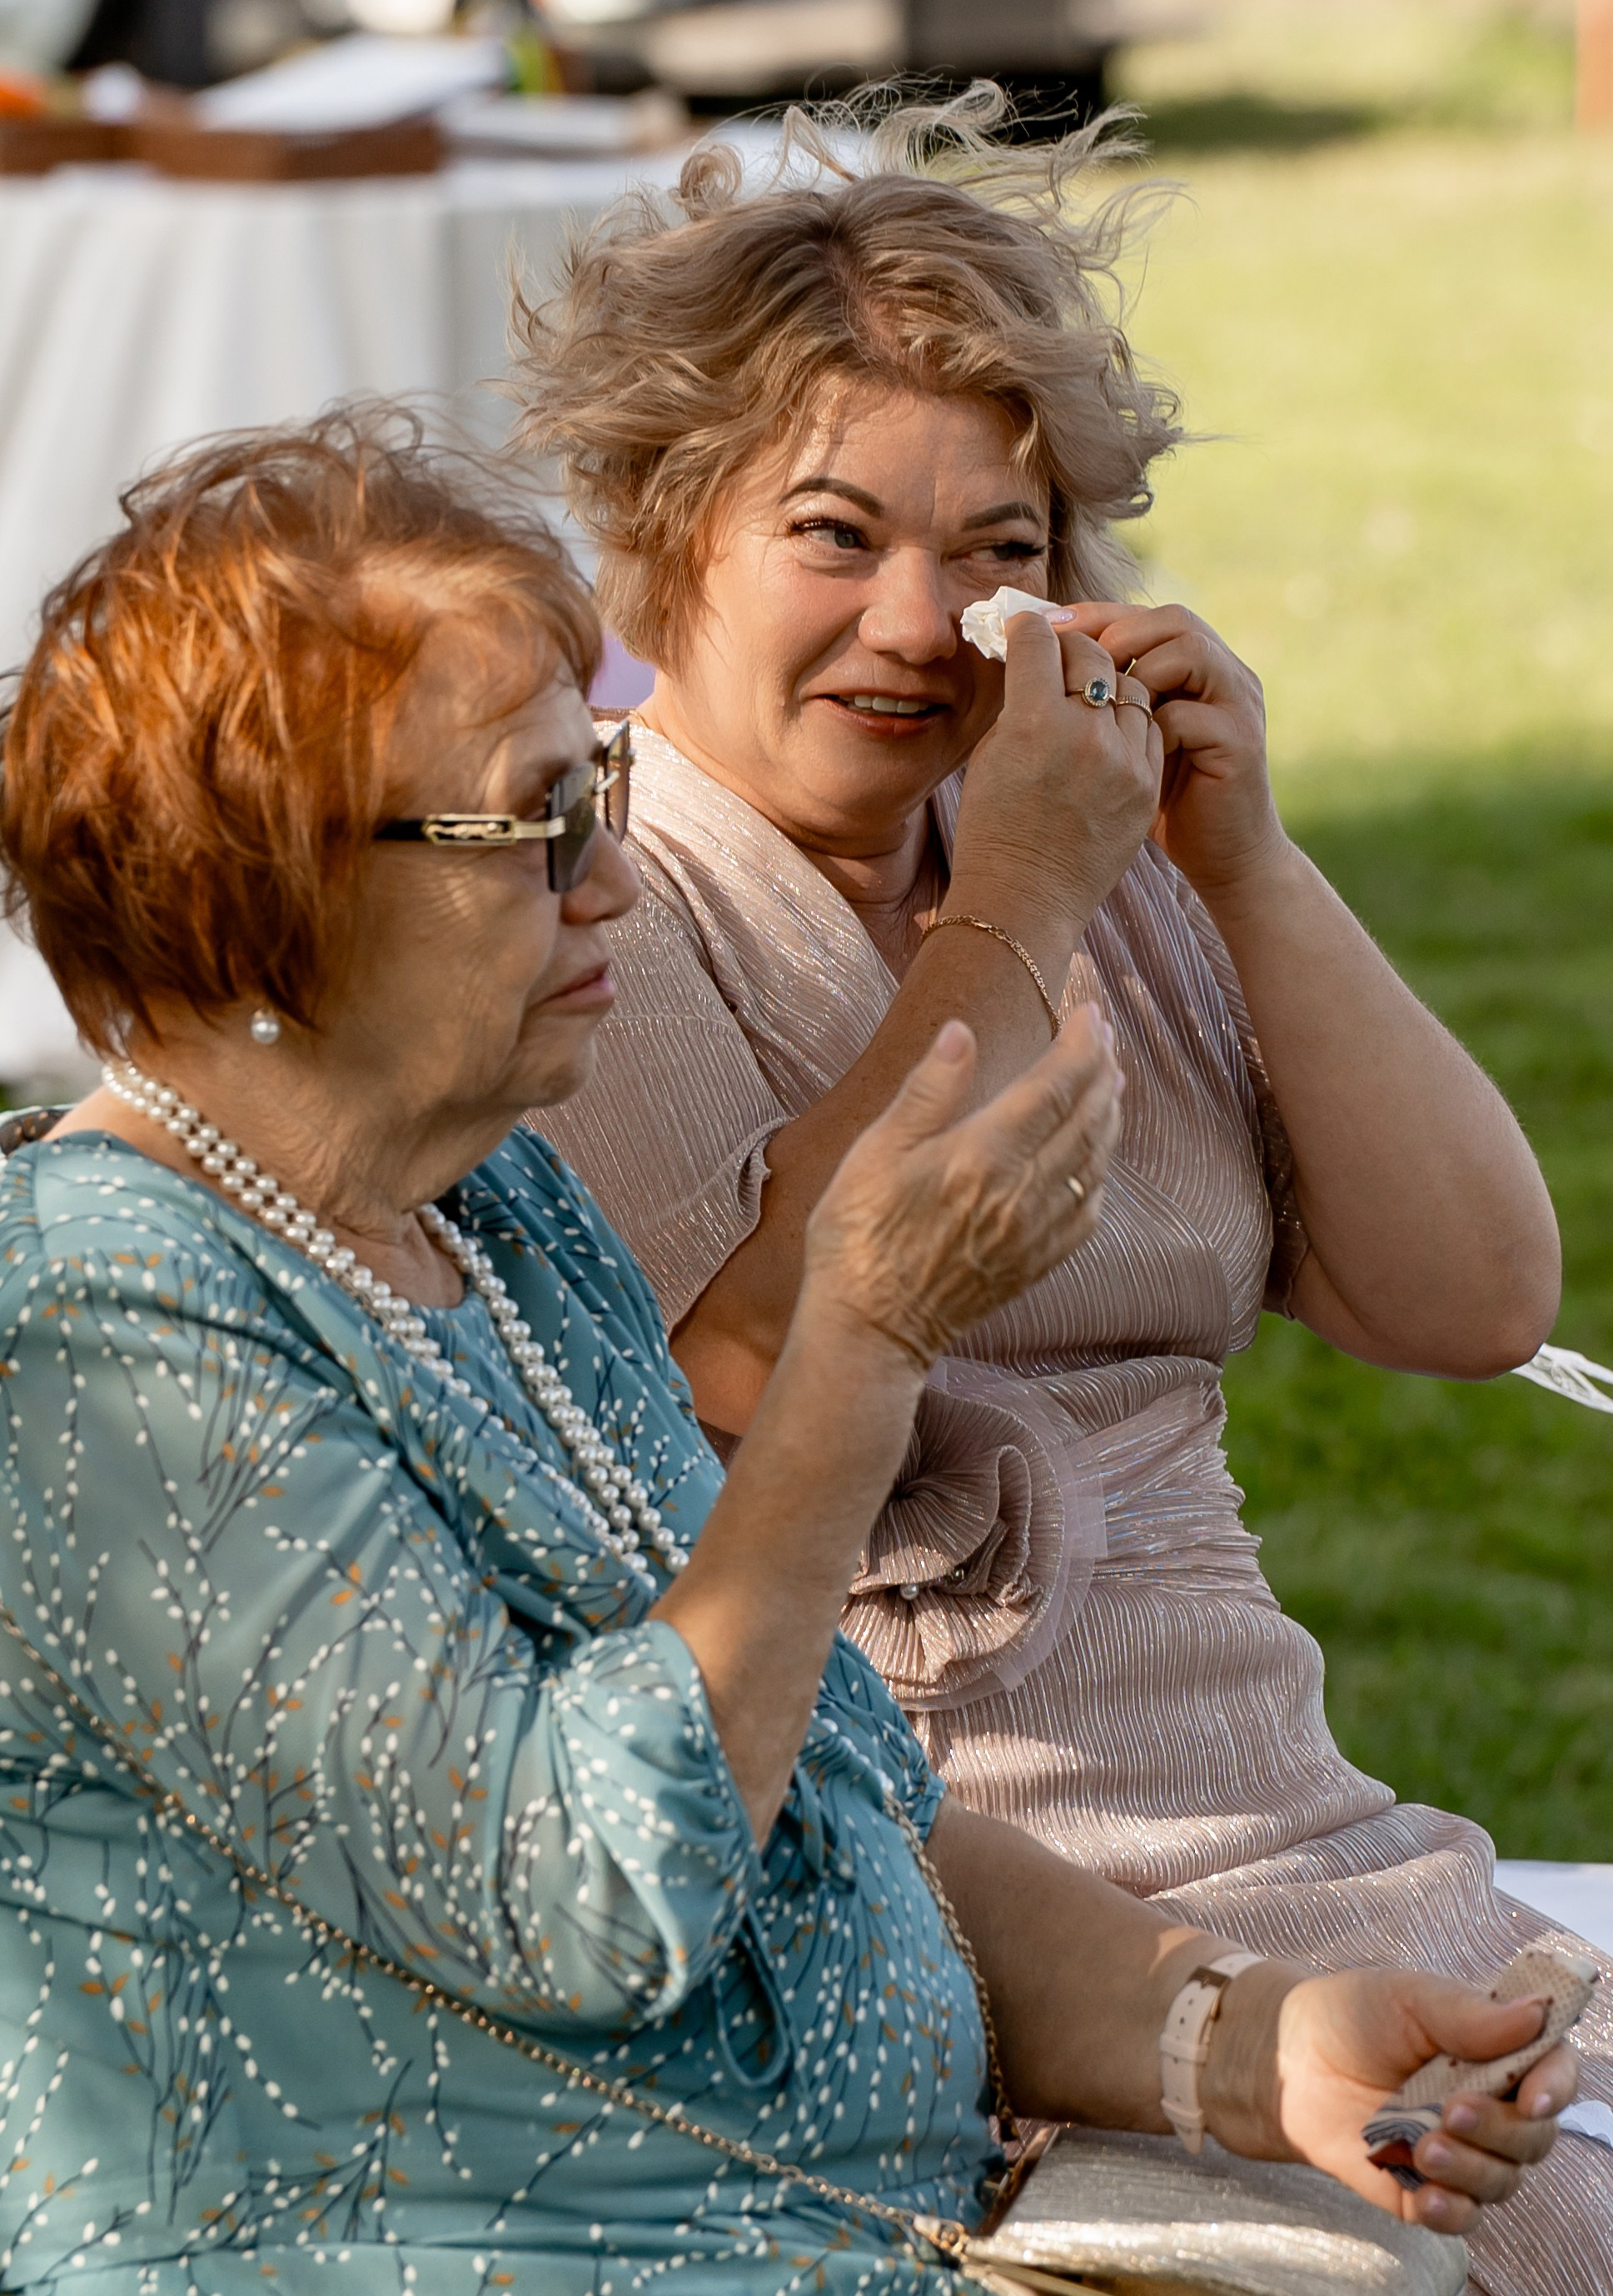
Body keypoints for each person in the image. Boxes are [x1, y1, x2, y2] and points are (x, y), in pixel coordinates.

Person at [0, 409, 1576, 2293]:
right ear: (260, 882)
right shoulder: (103, 1324)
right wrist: (865, 1335)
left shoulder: (490, 1217)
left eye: (599, 786)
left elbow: (856, 1806)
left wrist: (1248, 2044)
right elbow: (580, 1893)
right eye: (539, 819)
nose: (610, 876)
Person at [511, 91, 1612, 2294]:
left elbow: (1477, 1294)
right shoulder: (592, 913)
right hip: (964, 1907)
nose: (925, 623)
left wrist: (1248, 866)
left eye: (999, 550)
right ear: (658, 538)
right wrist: (1015, 894)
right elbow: (735, 1375)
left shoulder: (1090, 855)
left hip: (1308, 1828)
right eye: (836, 534)